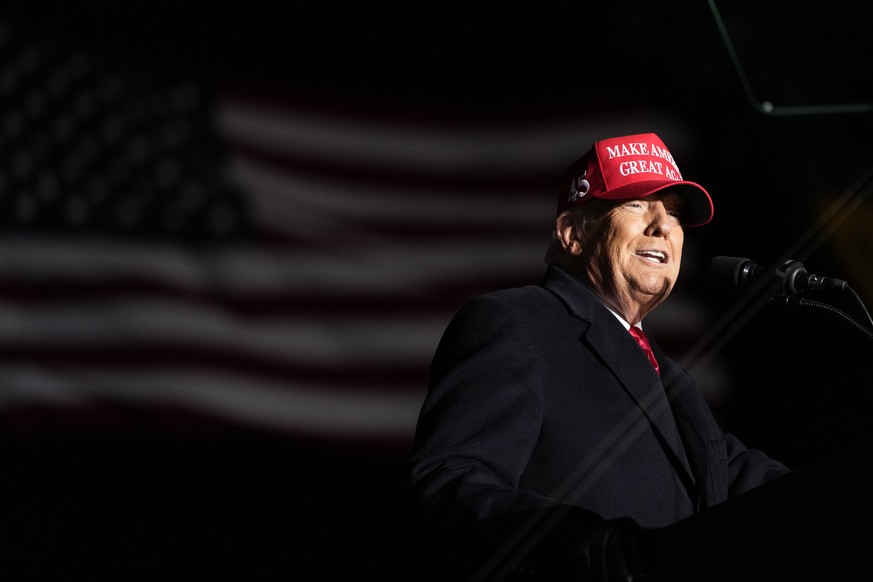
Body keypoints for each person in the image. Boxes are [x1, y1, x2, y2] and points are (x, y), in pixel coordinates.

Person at [404, 132, 793, 582]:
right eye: (636, 204)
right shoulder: (515, 324)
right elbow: (447, 483)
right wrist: (570, 538)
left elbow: (748, 480)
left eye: (675, 213)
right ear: (573, 233)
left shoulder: (674, 382)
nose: (662, 225)